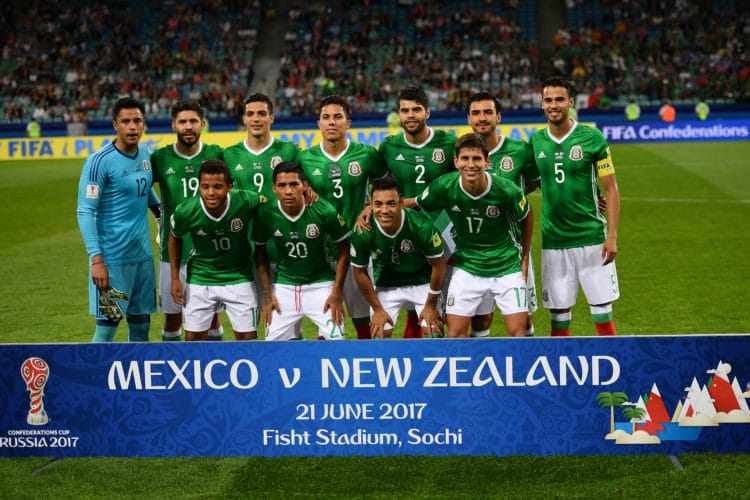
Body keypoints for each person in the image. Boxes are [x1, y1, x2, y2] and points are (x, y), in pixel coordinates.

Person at [412, 133, 533, 338]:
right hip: (467, 266)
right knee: (455, 335)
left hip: (506, 266)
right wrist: (375, 208)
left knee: (517, 335)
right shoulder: (443, 186)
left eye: (477, 158)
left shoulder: (506, 190)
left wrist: (525, 254)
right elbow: (417, 205)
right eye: (465, 158)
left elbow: (527, 215)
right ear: (456, 161)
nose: (471, 164)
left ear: (487, 161)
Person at [528, 76, 620, 337]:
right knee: (558, 316)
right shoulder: (536, 142)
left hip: (592, 238)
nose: (553, 105)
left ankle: (613, 370)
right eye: (548, 100)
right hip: (554, 240)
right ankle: (560, 374)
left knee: (602, 311)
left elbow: (611, 189)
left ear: (570, 102)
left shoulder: (592, 138)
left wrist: (611, 237)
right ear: (542, 104)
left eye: (559, 99)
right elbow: (530, 182)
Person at [298, 95, 388, 339]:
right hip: (321, 252)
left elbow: (386, 185)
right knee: (327, 327)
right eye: (326, 117)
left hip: (358, 247)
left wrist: (371, 206)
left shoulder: (366, 154)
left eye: (338, 117)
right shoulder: (304, 159)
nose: (332, 122)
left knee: (364, 324)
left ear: (348, 123)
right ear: (318, 123)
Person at [76, 97, 160, 342]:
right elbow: (85, 211)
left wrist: (159, 211)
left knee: (141, 325)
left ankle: (137, 381)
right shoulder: (99, 162)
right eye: (126, 121)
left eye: (137, 121)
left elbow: (143, 188)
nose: (132, 127)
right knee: (107, 328)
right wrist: (96, 260)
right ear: (115, 125)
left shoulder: (145, 154)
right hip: (112, 262)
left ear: (144, 123)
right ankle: (93, 378)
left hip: (142, 259)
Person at [377, 85, 457, 338]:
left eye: (416, 110)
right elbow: (379, 187)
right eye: (405, 110)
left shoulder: (448, 143)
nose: (410, 115)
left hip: (442, 230)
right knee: (409, 288)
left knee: (442, 303)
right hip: (403, 232)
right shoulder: (389, 147)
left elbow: (457, 185)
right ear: (398, 115)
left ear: (427, 113)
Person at [466, 91, 540, 337]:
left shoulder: (520, 150)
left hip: (515, 249)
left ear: (499, 116)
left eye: (488, 112)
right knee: (480, 319)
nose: (482, 118)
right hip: (476, 252)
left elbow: (534, 183)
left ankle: (527, 364)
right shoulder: (464, 154)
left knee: (524, 319)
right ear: (468, 119)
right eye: (476, 113)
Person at [151, 98, 225, 341]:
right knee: (172, 316)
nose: (188, 126)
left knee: (213, 316)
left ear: (203, 123)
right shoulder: (160, 158)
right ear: (173, 125)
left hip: (210, 253)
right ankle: (175, 368)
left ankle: (216, 370)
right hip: (172, 256)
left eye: (193, 121)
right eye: (182, 121)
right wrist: (157, 211)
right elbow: (137, 188)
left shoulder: (216, 154)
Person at [253, 161, 350, 341]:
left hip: (321, 285)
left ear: (304, 185)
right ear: (274, 188)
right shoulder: (266, 213)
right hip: (284, 287)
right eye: (282, 185)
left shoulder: (323, 210)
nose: (288, 191)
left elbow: (344, 249)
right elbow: (260, 254)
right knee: (271, 347)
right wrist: (268, 296)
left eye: (294, 184)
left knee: (336, 343)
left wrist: (337, 292)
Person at [168, 159, 264, 341]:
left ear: (229, 186)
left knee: (248, 340)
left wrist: (305, 194)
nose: (211, 193)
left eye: (217, 187)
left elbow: (271, 203)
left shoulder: (246, 200)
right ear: (199, 187)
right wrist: (174, 278)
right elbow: (174, 237)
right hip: (201, 278)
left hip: (239, 277)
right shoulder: (186, 211)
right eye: (205, 187)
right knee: (193, 339)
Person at [351, 176, 447, 339]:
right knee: (379, 333)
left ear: (401, 203)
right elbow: (359, 272)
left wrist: (431, 304)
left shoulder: (421, 225)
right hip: (387, 284)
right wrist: (378, 309)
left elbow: (439, 265)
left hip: (422, 281)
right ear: (371, 205)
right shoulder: (363, 230)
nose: (385, 210)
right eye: (378, 204)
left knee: (434, 332)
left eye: (391, 203)